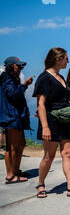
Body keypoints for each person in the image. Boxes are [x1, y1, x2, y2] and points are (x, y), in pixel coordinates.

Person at [33, 48, 70, 198]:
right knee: (49, 156)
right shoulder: (44, 78)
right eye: (65, 58)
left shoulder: (61, 77)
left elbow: (65, 101)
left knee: (67, 153)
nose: (67, 61)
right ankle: (40, 183)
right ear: (58, 59)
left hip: (66, 120)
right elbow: (41, 104)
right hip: (51, 121)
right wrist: (45, 126)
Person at [0, 56, 33, 184]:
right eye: (18, 66)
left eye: (21, 66)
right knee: (12, 147)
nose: (20, 68)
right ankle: (10, 175)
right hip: (10, 116)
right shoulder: (7, 79)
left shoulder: (12, 78)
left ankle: (15, 170)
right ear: (11, 66)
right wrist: (24, 85)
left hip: (15, 115)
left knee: (21, 144)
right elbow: (12, 94)